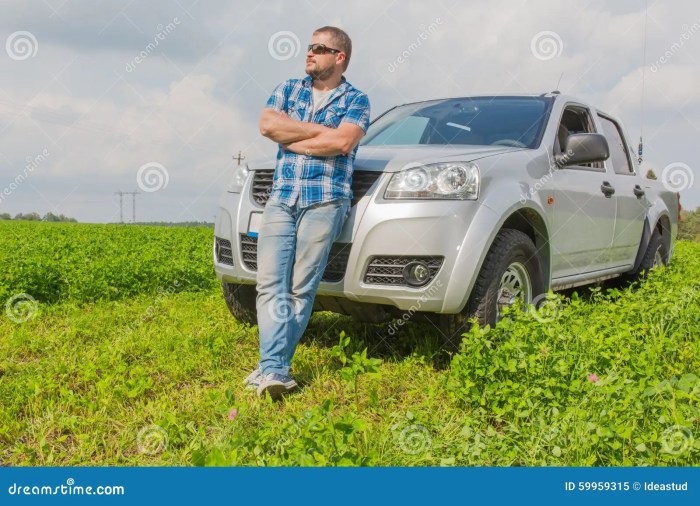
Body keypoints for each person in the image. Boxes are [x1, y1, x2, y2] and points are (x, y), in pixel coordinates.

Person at [244, 26, 370, 400]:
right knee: (269, 284)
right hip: (282, 197)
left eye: (319, 48)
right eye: (309, 47)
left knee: (301, 287)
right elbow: (268, 125)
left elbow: (344, 141)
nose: (310, 54)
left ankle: (271, 369)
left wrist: (295, 138)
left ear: (339, 57)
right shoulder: (288, 89)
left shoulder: (357, 99)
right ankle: (275, 370)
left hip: (326, 199)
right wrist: (319, 136)